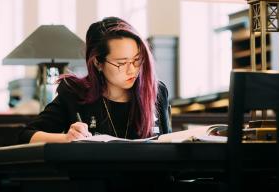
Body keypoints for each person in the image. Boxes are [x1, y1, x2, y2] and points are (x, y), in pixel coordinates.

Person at [19, 17, 171, 143]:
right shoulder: (74, 93)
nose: (132, 69)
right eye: (121, 63)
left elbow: (166, 143)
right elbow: (27, 135)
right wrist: (67, 138)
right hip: (95, 178)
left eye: (137, 60)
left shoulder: (156, 91)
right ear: (98, 62)